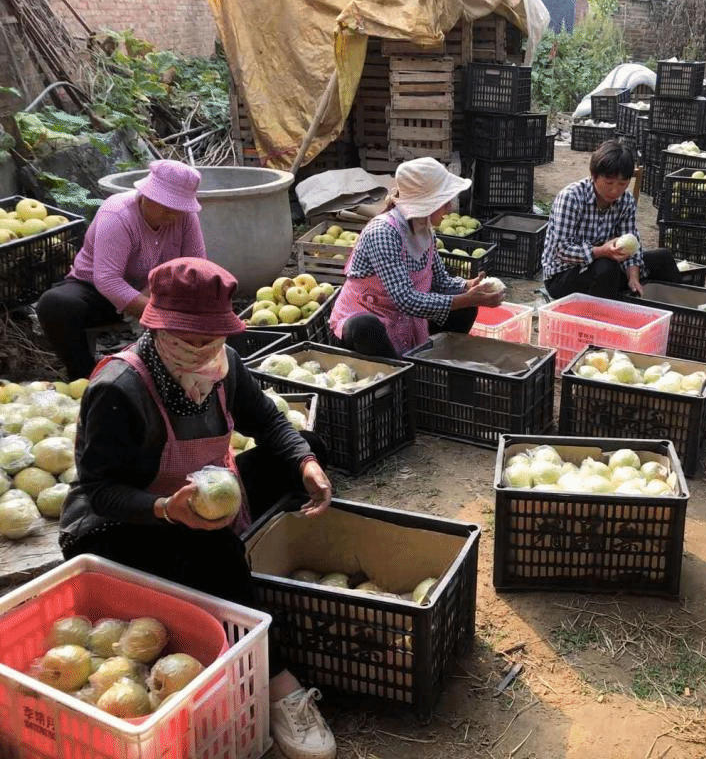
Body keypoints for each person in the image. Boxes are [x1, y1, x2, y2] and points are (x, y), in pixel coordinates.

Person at [59, 257, 337, 759]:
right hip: (119, 522)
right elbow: (100, 491)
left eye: (213, 338)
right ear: (158, 328)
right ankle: (278, 684)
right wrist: (167, 508)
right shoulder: (119, 388)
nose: (205, 349)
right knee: (215, 554)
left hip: (197, 497)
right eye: (191, 339)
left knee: (303, 448)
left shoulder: (222, 365)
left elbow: (269, 422)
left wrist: (306, 464)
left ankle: (213, 571)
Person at [37, 159, 207, 381]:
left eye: (178, 208)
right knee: (56, 304)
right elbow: (107, 280)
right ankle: (84, 376)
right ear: (147, 195)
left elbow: (195, 265)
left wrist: (161, 296)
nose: (172, 214)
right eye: (166, 206)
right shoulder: (118, 214)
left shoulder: (185, 217)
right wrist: (158, 315)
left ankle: (166, 371)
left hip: (155, 290)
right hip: (96, 292)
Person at [329, 157, 505, 357]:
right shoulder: (383, 232)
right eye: (444, 201)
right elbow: (406, 300)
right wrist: (465, 299)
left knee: (465, 308)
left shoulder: (425, 230)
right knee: (365, 327)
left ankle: (434, 363)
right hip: (370, 324)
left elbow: (440, 281)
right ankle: (396, 373)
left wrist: (468, 286)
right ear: (427, 203)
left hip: (405, 321)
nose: (449, 208)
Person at [542, 139, 684, 300]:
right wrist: (601, 251)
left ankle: (680, 310)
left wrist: (633, 278)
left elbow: (631, 245)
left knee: (663, 258)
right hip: (563, 275)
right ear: (594, 176)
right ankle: (605, 314)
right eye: (609, 183)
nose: (615, 190)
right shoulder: (571, 198)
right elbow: (561, 250)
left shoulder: (626, 201)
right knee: (606, 266)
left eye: (622, 184)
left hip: (607, 270)